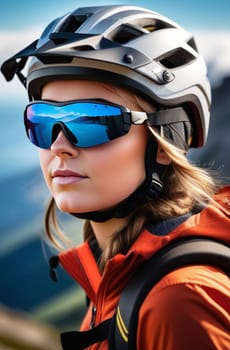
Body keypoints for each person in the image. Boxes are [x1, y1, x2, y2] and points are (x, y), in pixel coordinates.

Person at [1, 4, 229, 350]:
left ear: (165, 141)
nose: (60, 145)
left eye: (94, 120)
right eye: (44, 120)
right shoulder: (116, 280)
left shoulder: (179, 301)